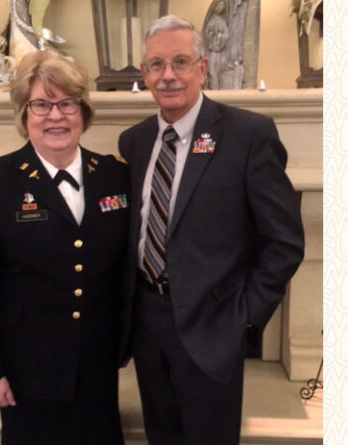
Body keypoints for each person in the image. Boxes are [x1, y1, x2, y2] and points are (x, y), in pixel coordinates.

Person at [117, 15, 305, 444]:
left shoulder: (248, 135)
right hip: (147, 323)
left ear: (203, 68)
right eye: (156, 65)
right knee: (160, 435)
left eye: (181, 62)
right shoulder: (135, 141)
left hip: (213, 323)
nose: (168, 76)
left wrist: (243, 317)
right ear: (144, 74)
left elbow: (285, 241)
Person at [0, 50, 129, 444]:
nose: (56, 116)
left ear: (82, 111)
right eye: (41, 105)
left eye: (67, 103)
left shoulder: (115, 175)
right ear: (24, 114)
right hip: (25, 369)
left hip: (97, 366)